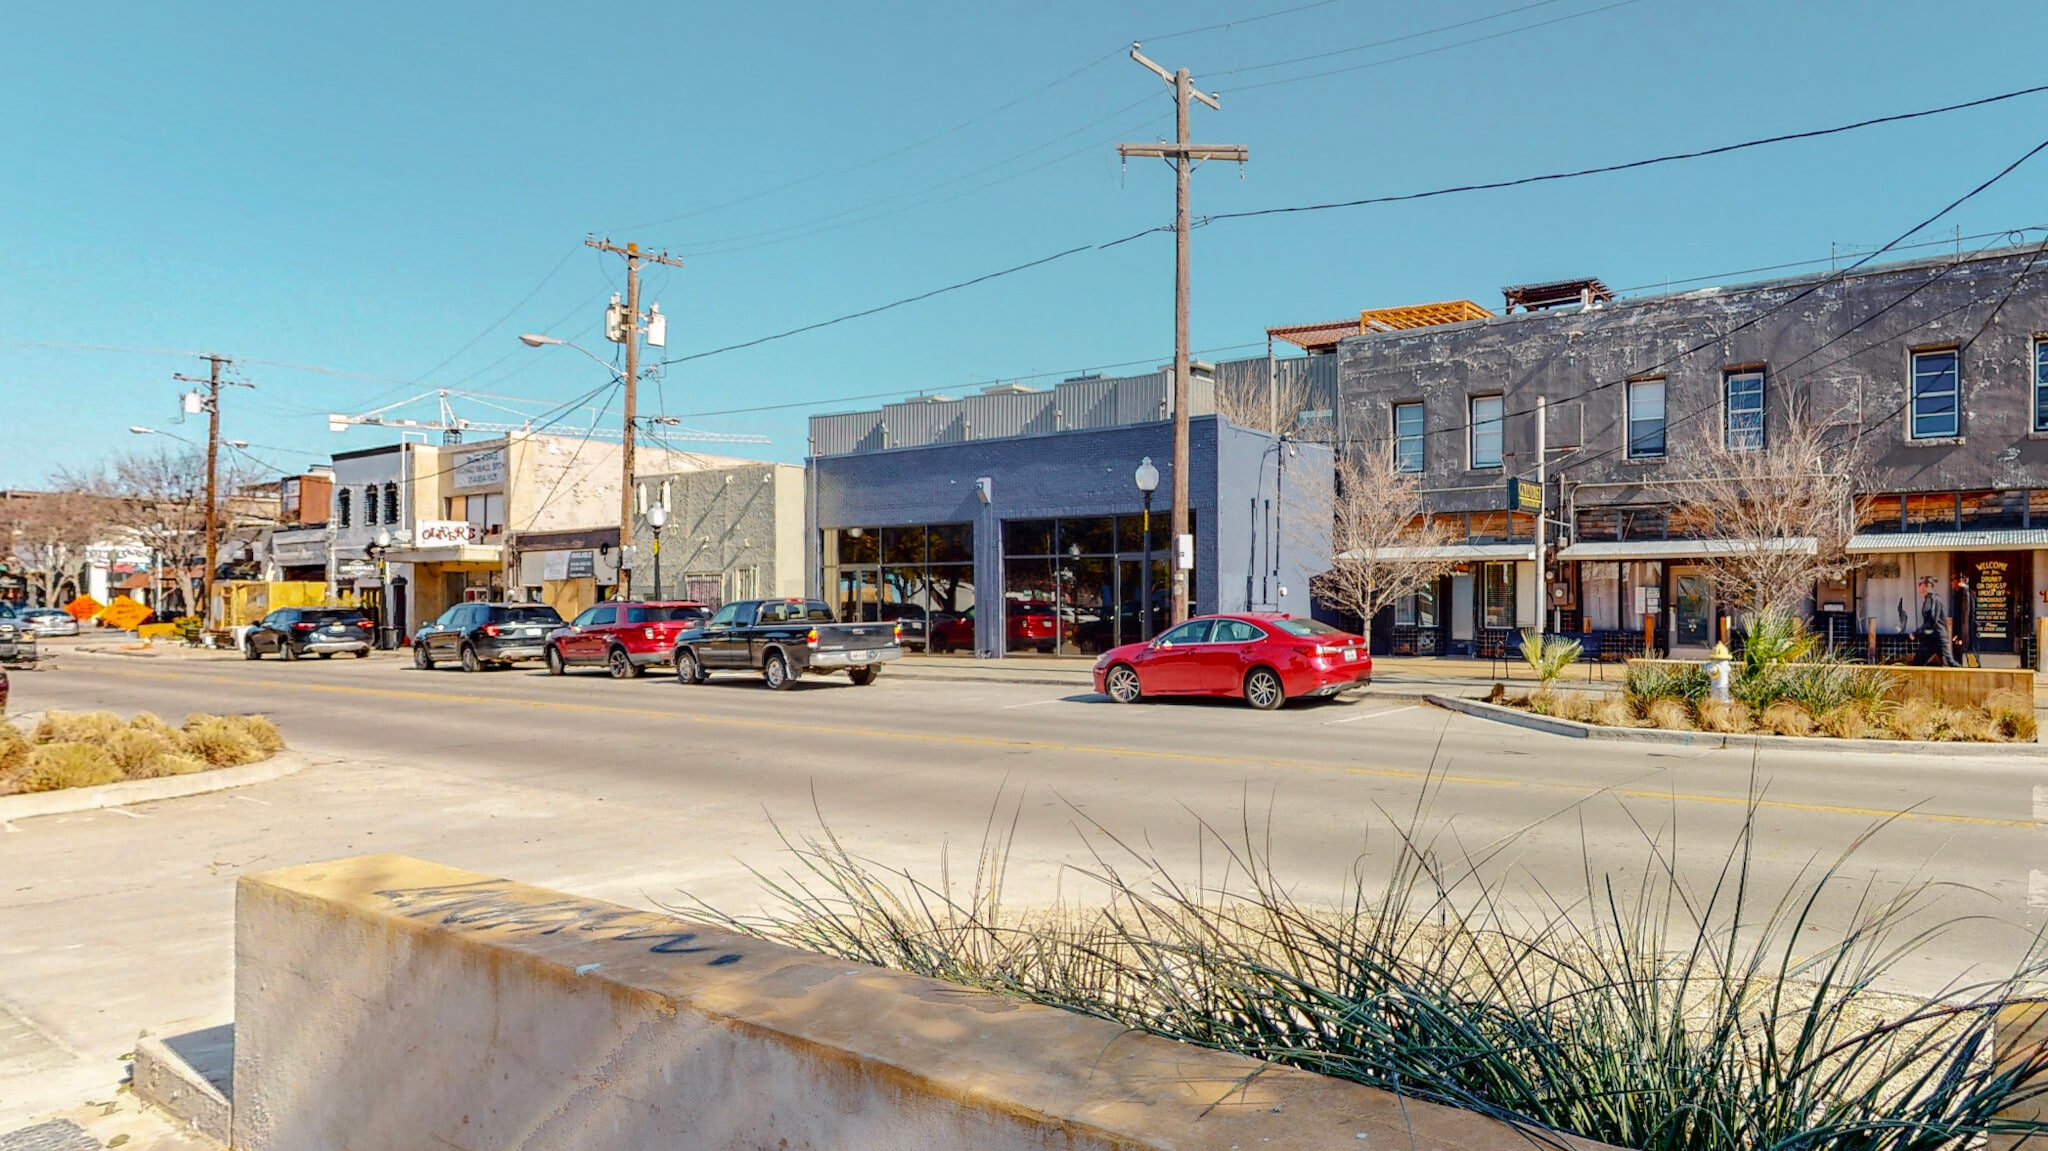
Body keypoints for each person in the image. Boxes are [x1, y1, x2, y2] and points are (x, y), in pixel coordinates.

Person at [1914, 576, 1960, 666]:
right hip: (1930, 638)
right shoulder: (1928, 599)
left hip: (1938, 637)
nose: (1919, 587)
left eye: (1921, 584)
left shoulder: (1933, 599)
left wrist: (1917, 632)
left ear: (1928, 586)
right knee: (1918, 662)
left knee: (1950, 663)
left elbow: (1932, 619)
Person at [1951, 572, 1975, 663]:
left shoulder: (1965, 593)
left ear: (1959, 581)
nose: (1951, 583)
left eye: (1952, 580)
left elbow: (1965, 615)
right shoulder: (1958, 593)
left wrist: (1961, 636)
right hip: (1961, 631)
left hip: (1965, 632)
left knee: (1966, 656)